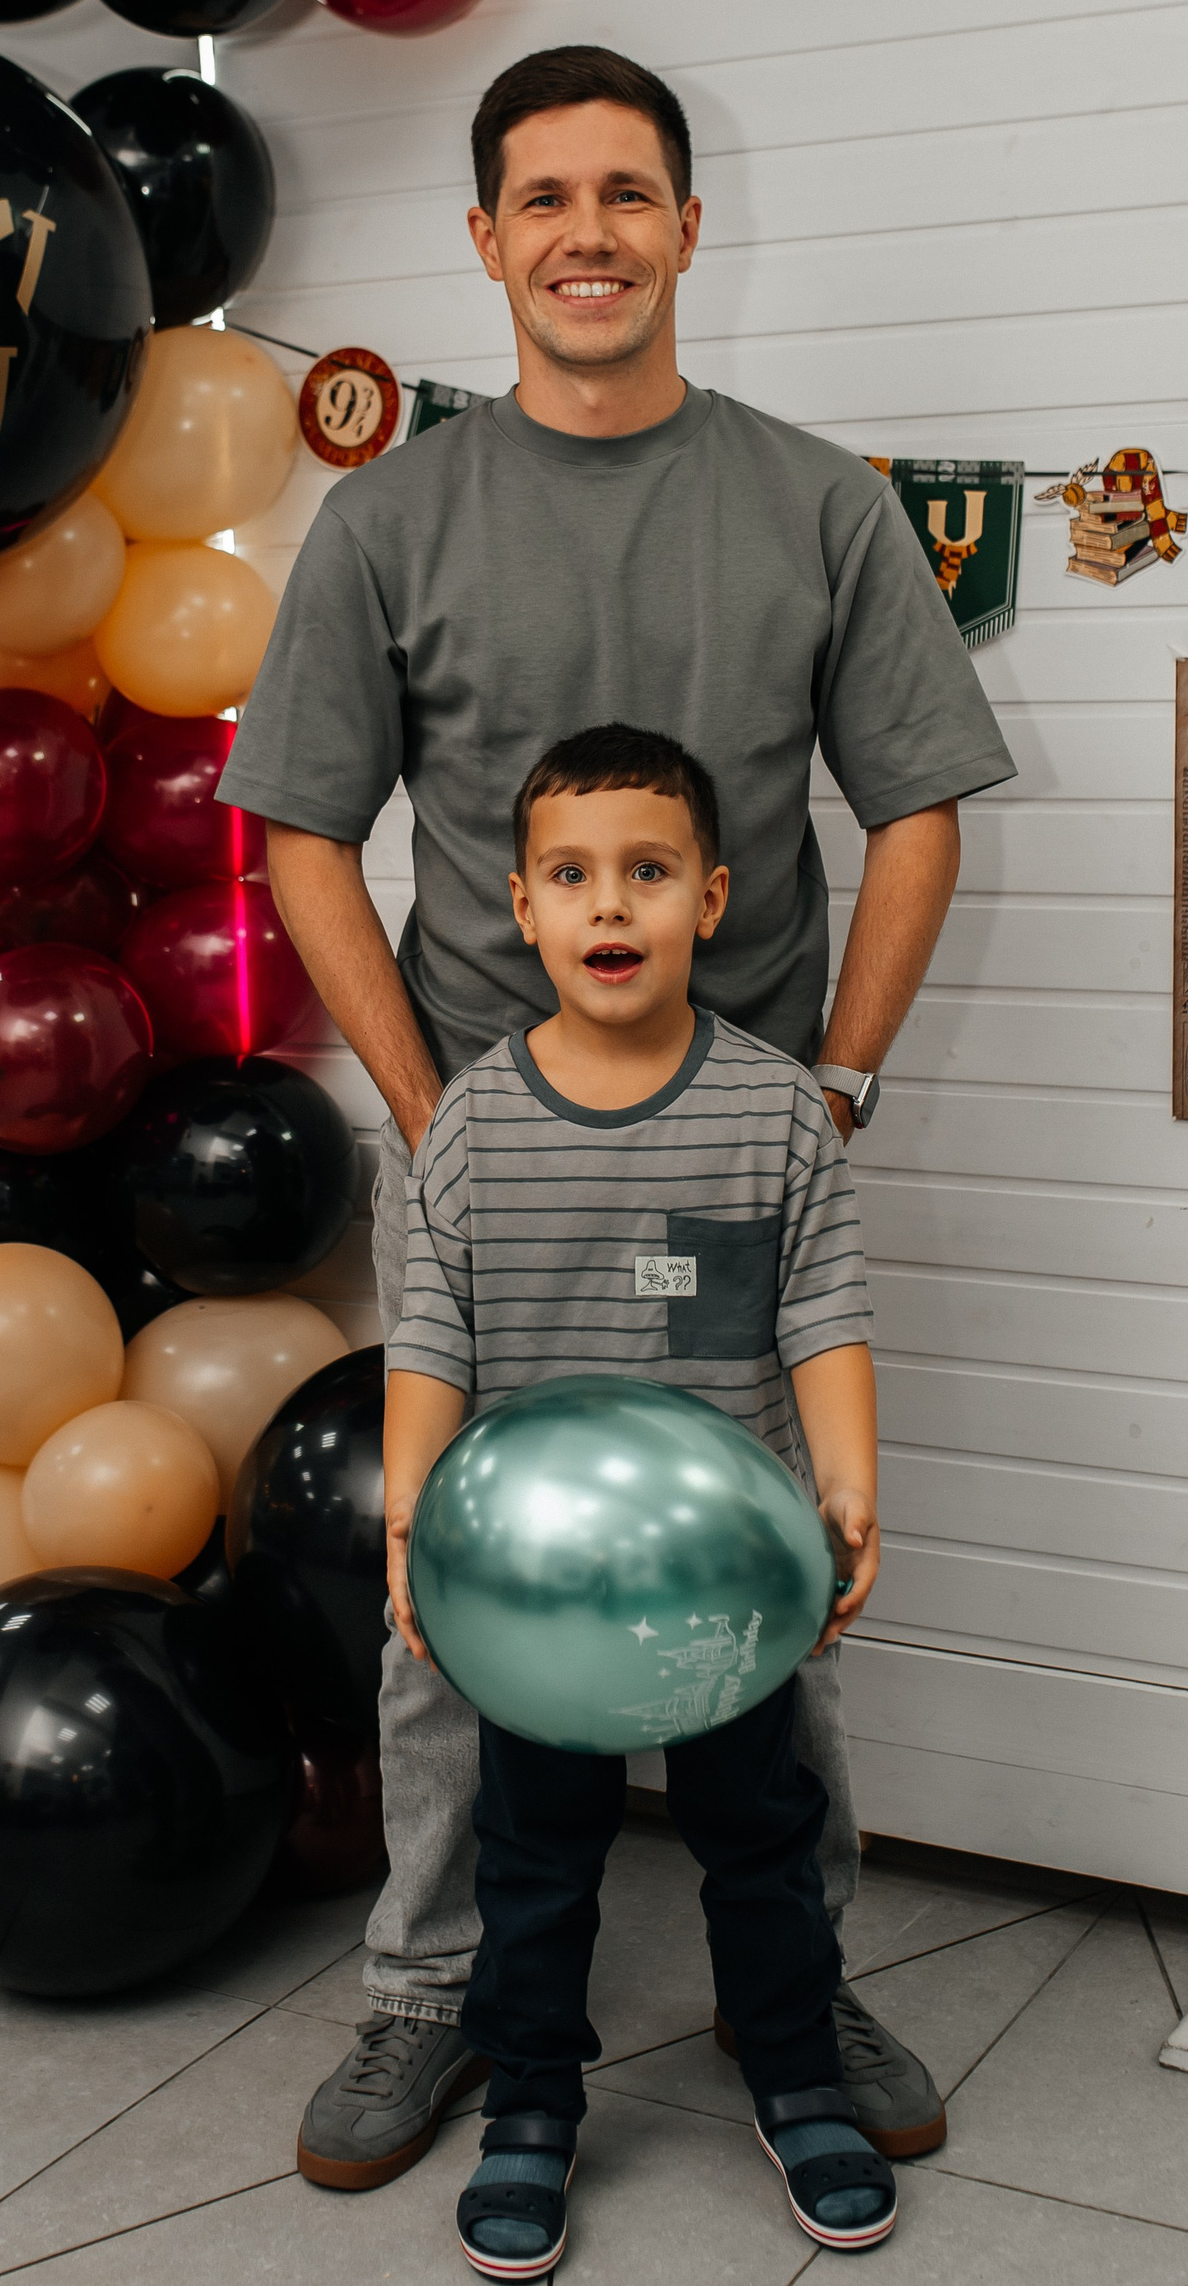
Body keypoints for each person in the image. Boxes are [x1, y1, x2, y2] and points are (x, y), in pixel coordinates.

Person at [215, 42, 1016, 2190]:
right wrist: (427, 1112)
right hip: (493, 1163)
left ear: (687, 226)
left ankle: (792, 1982)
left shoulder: (818, 504)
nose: (590, 233)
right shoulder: (391, 519)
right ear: (487, 240)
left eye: (628, 192)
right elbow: (302, 835)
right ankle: (429, 1991)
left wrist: (836, 1082)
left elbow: (922, 808)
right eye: (547, 198)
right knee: (448, 1580)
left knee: (778, 1552)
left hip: (732, 1165)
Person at [388, 724, 897, 2273]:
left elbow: (821, 1311)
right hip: (536, 1601)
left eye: (649, 871)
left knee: (763, 1838)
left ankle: (797, 2076)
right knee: (535, 1862)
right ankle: (532, 2104)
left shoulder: (775, 1116)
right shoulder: (471, 1125)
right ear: (521, 907)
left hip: (726, 1590)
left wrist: (849, 1486)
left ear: (711, 900)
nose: (610, 903)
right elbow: (428, 1338)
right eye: (571, 874)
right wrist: (410, 1527)